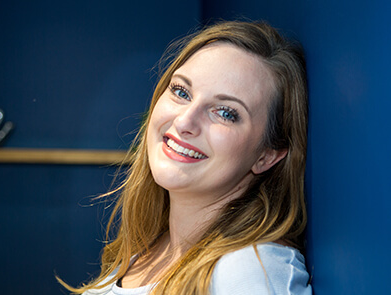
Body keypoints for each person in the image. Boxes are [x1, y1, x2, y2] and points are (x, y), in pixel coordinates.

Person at [60, 20, 312, 294]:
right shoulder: (148, 249)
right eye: (181, 92)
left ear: (266, 156)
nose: (184, 121)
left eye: (225, 112)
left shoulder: (251, 268)